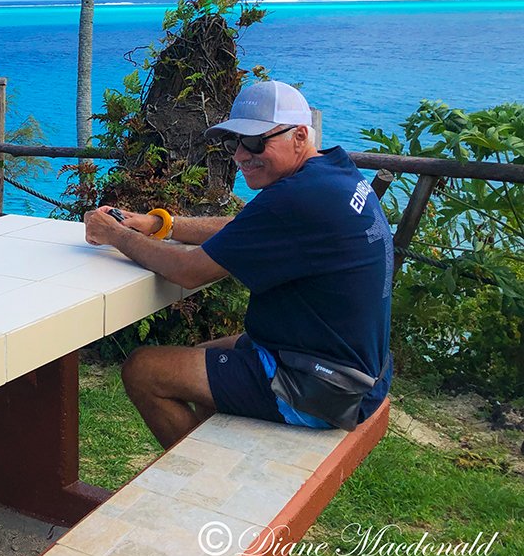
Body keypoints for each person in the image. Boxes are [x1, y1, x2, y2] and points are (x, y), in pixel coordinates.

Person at [83, 80, 393, 448]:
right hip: (354, 368)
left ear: (299, 136)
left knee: (144, 369)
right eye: (235, 143)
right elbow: (243, 228)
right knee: (198, 358)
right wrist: (159, 225)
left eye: (257, 142)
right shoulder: (333, 172)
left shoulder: (296, 197)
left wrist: (115, 234)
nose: (241, 155)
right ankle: (214, 448)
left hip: (325, 387)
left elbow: (189, 270)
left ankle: (199, 475)